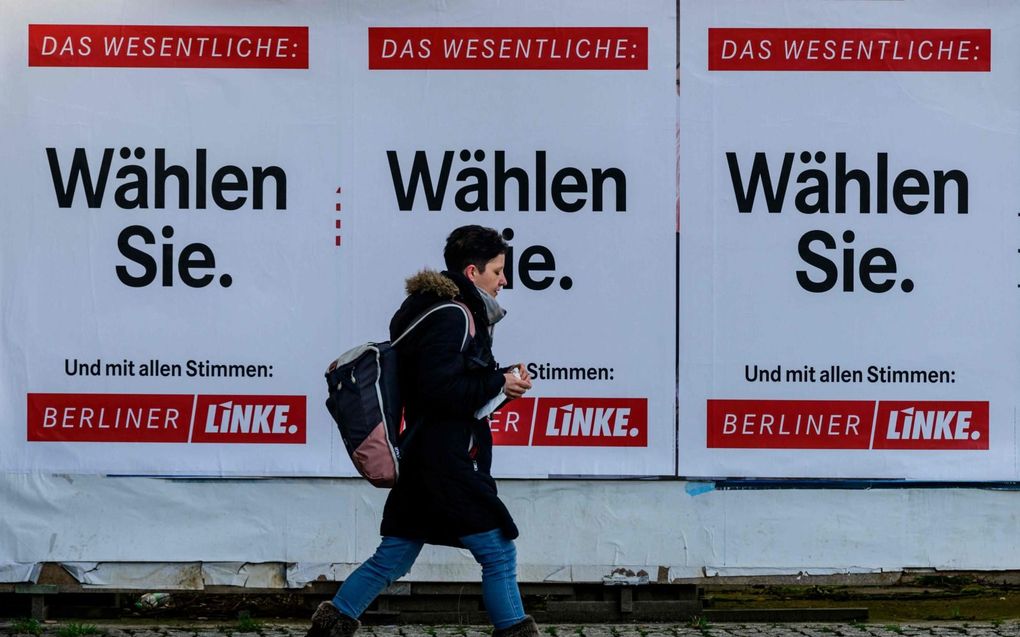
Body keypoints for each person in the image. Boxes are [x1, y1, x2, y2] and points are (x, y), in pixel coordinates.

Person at [307, 225, 537, 637]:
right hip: (445, 460)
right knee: (498, 552)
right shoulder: (453, 316)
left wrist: (501, 387)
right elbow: (441, 391)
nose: (504, 280)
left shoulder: (432, 309)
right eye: (499, 271)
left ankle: (330, 628)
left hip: (423, 454)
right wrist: (499, 382)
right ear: (472, 272)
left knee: (394, 555)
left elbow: (445, 388)